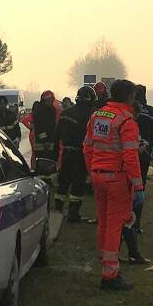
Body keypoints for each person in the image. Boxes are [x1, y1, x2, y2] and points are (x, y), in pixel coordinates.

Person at [84, 79, 142, 291]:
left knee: (104, 222)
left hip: (98, 175)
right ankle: (110, 274)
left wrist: (92, 171)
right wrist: (138, 187)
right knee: (115, 224)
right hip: (116, 178)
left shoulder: (98, 115)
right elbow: (130, 156)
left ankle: (105, 262)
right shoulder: (127, 121)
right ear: (129, 97)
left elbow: (87, 147)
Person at [120, 84, 153, 263]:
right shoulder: (151, 112)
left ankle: (126, 225)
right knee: (138, 190)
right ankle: (135, 225)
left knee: (124, 193)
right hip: (141, 156)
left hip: (120, 158)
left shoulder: (123, 111)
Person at [53, 85, 95, 219]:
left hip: (66, 153)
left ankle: (58, 209)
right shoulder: (91, 115)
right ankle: (73, 213)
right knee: (78, 183)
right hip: (81, 154)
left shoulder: (65, 113)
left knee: (63, 182)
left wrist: (55, 155)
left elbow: (57, 135)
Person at [22, 91, 61, 164]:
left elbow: (52, 126)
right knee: (41, 163)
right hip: (42, 144)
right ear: (44, 101)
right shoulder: (39, 111)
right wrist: (45, 140)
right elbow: (39, 127)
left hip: (51, 141)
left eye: (51, 100)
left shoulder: (52, 109)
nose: (49, 102)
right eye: (48, 101)